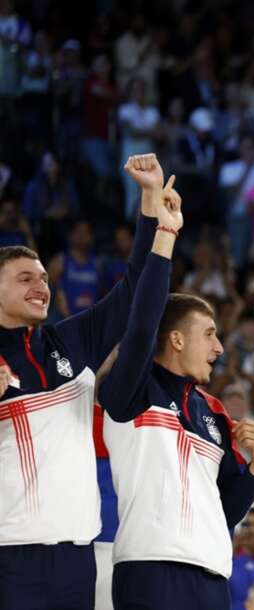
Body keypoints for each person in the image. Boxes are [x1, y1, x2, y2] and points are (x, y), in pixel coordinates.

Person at [0, 154, 162, 609]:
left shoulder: (70, 339)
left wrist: (149, 199)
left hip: (78, 553)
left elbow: (134, 289)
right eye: (25, 278)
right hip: (11, 554)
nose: (42, 287)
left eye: (46, 279)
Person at [98, 182, 254, 610]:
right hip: (150, 568)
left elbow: (223, 512)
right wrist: (165, 235)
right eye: (209, 335)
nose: (219, 348)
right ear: (174, 339)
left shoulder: (211, 410)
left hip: (212, 573)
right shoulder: (132, 390)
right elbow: (140, 327)